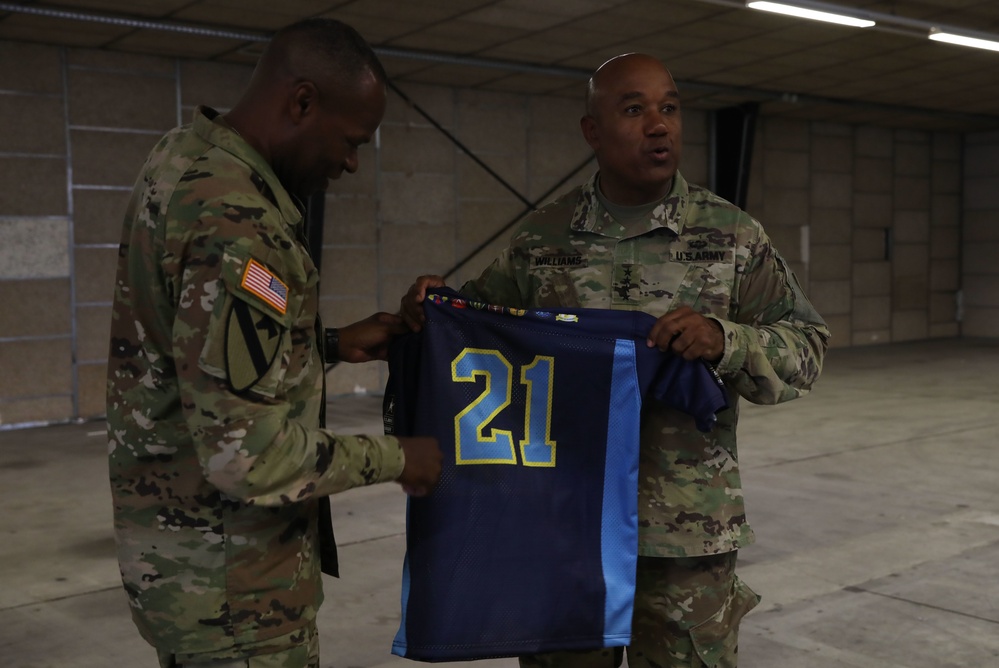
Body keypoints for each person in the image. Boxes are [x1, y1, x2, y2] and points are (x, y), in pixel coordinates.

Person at [401, 53, 829, 668]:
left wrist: (727, 339)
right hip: (564, 532)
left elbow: (808, 347)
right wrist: (427, 307)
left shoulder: (730, 237)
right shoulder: (542, 241)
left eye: (670, 108)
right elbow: (470, 331)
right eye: (635, 109)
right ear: (592, 132)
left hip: (685, 541)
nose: (660, 125)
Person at [106, 18, 441, 668]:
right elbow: (246, 456)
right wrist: (398, 458)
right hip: (239, 596)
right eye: (350, 141)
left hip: (185, 573)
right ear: (302, 101)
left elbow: (199, 344)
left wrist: (334, 343)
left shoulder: (183, 158)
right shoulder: (240, 227)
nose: (348, 162)